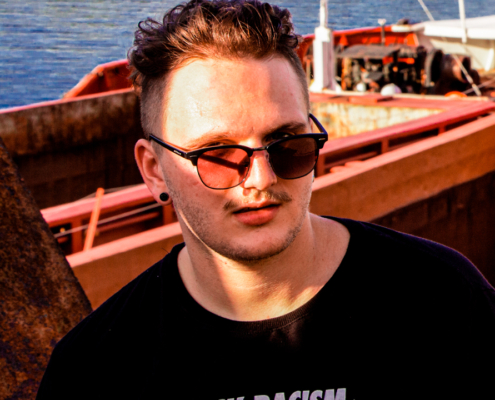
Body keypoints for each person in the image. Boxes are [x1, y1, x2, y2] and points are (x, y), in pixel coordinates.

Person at [37, 1, 495, 399]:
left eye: (287, 144)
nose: (261, 178)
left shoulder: (444, 303)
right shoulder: (95, 369)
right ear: (154, 169)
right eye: (217, 155)